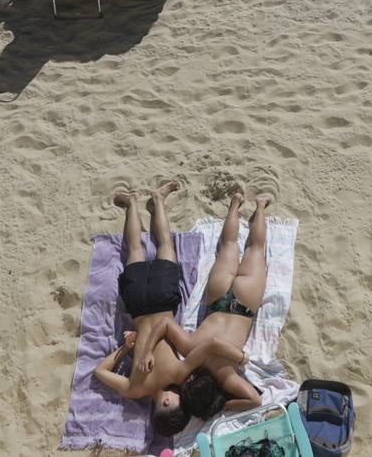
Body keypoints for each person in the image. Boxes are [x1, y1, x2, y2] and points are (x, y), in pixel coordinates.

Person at [92, 182, 242, 436]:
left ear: (165, 403)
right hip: (138, 308)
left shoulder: (182, 373)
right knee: (136, 250)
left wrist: (136, 349)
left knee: (165, 245)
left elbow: (204, 345)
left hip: (161, 304)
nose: (181, 396)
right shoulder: (133, 390)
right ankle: (133, 204)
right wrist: (125, 350)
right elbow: (100, 371)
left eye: (179, 403)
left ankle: (157, 199)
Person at [139, 192, 273, 423]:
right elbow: (165, 324)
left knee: (255, 249)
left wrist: (225, 407)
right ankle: (235, 203)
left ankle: (260, 206)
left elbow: (254, 400)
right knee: (228, 246)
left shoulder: (226, 378)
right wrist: (148, 350)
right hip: (218, 299)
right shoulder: (192, 350)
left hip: (244, 304)